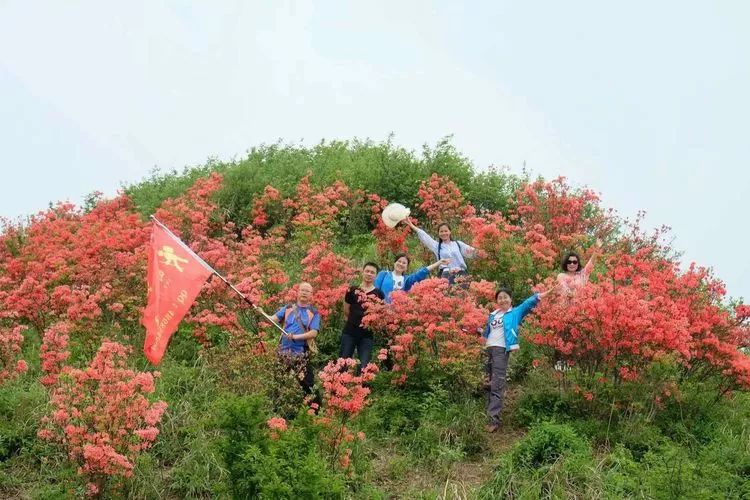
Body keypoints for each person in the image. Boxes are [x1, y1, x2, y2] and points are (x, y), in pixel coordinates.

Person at [482, 285, 556, 433]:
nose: (502, 300)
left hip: (501, 350)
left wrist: (547, 293)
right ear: (497, 301)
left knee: (496, 384)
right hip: (488, 350)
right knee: (488, 383)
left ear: (510, 300)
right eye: (500, 298)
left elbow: (529, 302)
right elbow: (487, 332)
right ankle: (491, 407)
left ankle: (494, 420)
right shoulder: (493, 315)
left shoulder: (515, 313)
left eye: (505, 297)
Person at [263, 282, 320, 399]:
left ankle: (315, 411)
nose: (304, 292)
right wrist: (262, 313)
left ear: (311, 295)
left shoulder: (313, 312)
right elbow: (273, 319)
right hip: (284, 351)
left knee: (307, 384)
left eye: (307, 291)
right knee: (278, 382)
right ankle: (276, 410)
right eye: (302, 290)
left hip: (301, 352)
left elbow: (314, 332)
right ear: (298, 292)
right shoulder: (288, 308)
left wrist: (295, 337)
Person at [340, 262, 385, 371]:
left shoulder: (379, 294)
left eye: (372, 272)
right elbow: (346, 311)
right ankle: (338, 387)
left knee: (364, 367)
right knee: (343, 364)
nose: (369, 274)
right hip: (349, 332)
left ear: (376, 276)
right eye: (367, 271)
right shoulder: (352, 290)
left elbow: (379, 315)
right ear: (363, 272)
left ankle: (361, 387)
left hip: (367, 335)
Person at [405, 219, 478, 284]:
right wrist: (412, 225)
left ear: (450, 232)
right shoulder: (437, 246)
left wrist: (481, 252)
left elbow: (472, 252)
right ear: (439, 233)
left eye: (446, 231)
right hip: (446, 275)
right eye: (441, 231)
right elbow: (425, 237)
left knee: (462, 296)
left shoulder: (458, 244)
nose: (444, 233)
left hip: (461, 274)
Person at [374, 253, 450, 303]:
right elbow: (374, 290)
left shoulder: (407, 280)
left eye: (404, 263)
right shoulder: (383, 274)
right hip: (382, 312)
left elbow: (421, 272)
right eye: (399, 261)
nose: (401, 264)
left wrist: (438, 263)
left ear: (406, 267)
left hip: (398, 315)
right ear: (394, 263)